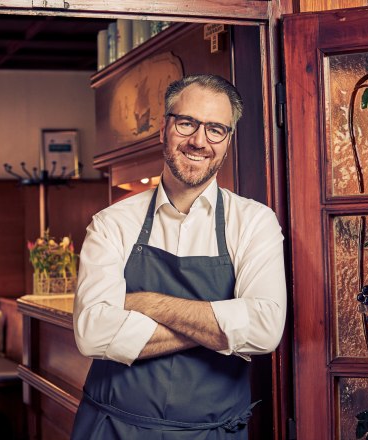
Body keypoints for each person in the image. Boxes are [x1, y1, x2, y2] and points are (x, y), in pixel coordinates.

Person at [72, 74, 286, 439]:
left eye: (216, 129)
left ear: (228, 140)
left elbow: (265, 330)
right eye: (187, 123)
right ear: (163, 129)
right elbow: (93, 333)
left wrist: (148, 303)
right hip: (112, 428)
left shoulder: (253, 222)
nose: (199, 141)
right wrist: (219, 324)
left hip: (210, 433)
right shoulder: (112, 223)